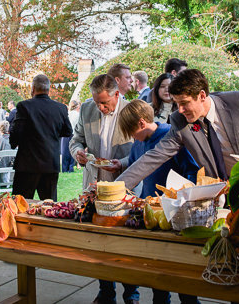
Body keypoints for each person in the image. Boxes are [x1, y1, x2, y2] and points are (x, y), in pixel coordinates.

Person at [117, 69, 239, 189]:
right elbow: (153, 157)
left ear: (202, 96)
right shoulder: (179, 121)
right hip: (218, 193)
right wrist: (114, 187)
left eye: (184, 103)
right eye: (177, 104)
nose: (179, 110)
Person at [118, 100, 200, 304]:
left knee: (180, 269)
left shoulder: (171, 135)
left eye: (132, 132)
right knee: (156, 265)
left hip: (175, 209)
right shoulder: (138, 143)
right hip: (150, 209)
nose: (131, 138)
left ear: (142, 123)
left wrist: (181, 197)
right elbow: (136, 168)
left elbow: (192, 169)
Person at [68, 74, 138, 304]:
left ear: (117, 94)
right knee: (99, 242)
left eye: (105, 103)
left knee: (126, 245)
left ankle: (131, 294)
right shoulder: (88, 109)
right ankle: (106, 292)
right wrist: (77, 152)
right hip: (94, 185)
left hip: (124, 185)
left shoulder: (133, 110)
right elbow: (75, 138)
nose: (100, 107)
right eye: (96, 102)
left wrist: (124, 163)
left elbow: (142, 150)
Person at [9, 75, 73, 200]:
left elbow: (17, 132)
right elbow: (67, 131)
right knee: (49, 207)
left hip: (27, 164)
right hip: (50, 163)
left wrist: (14, 142)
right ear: (48, 90)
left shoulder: (24, 106)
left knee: (20, 206)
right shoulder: (60, 108)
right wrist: (51, 135)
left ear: (32, 88)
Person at [62, 100, 80, 172]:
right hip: (74, 134)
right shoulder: (77, 115)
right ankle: (71, 168)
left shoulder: (67, 114)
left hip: (66, 134)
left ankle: (64, 169)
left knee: (65, 152)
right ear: (77, 106)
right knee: (72, 151)